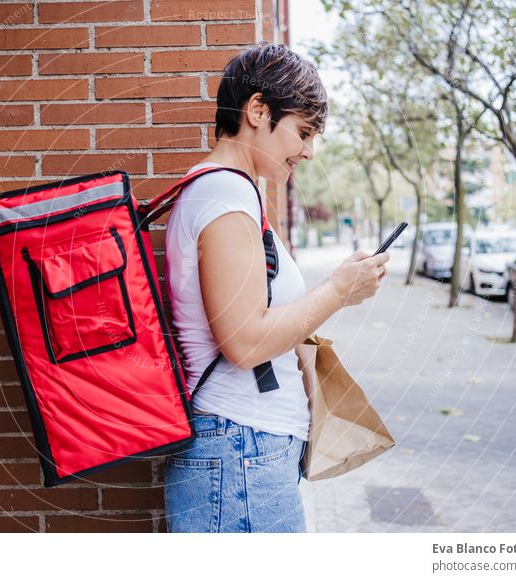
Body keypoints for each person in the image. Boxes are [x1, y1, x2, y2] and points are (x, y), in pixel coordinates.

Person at [163, 42, 390, 533]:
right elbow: (245, 342)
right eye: (303, 132)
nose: (308, 151)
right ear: (258, 110)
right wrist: (338, 291)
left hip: (245, 454)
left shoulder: (231, 191)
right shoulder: (224, 194)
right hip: (240, 453)